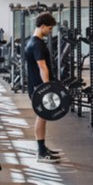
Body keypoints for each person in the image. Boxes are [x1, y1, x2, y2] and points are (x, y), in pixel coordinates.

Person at [24, 11, 61, 163]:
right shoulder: (37, 44)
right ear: (43, 26)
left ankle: (43, 148)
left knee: (43, 117)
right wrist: (48, 88)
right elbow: (42, 67)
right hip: (39, 87)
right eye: (50, 29)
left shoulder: (31, 41)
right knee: (41, 117)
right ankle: (41, 152)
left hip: (36, 86)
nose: (50, 32)